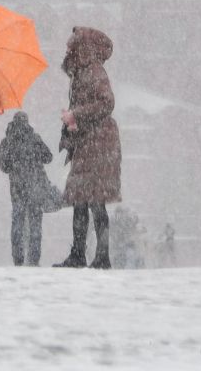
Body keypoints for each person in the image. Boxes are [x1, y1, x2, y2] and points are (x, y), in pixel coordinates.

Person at [54, 26, 121, 270]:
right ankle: (80, 254)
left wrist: (77, 115)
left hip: (98, 144)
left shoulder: (94, 71)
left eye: (71, 45)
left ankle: (99, 256)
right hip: (88, 143)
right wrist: (70, 123)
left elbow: (107, 103)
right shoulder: (81, 73)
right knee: (82, 199)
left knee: (94, 200)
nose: (67, 49)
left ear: (82, 48)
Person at [0, 110, 53, 267]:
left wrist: (16, 164)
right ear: (27, 122)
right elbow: (48, 157)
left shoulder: (6, 141)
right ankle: (34, 258)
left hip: (17, 189)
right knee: (35, 224)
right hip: (34, 187)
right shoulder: (34, 138)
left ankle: (18, 258)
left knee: (17, 222)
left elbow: (4, 167)